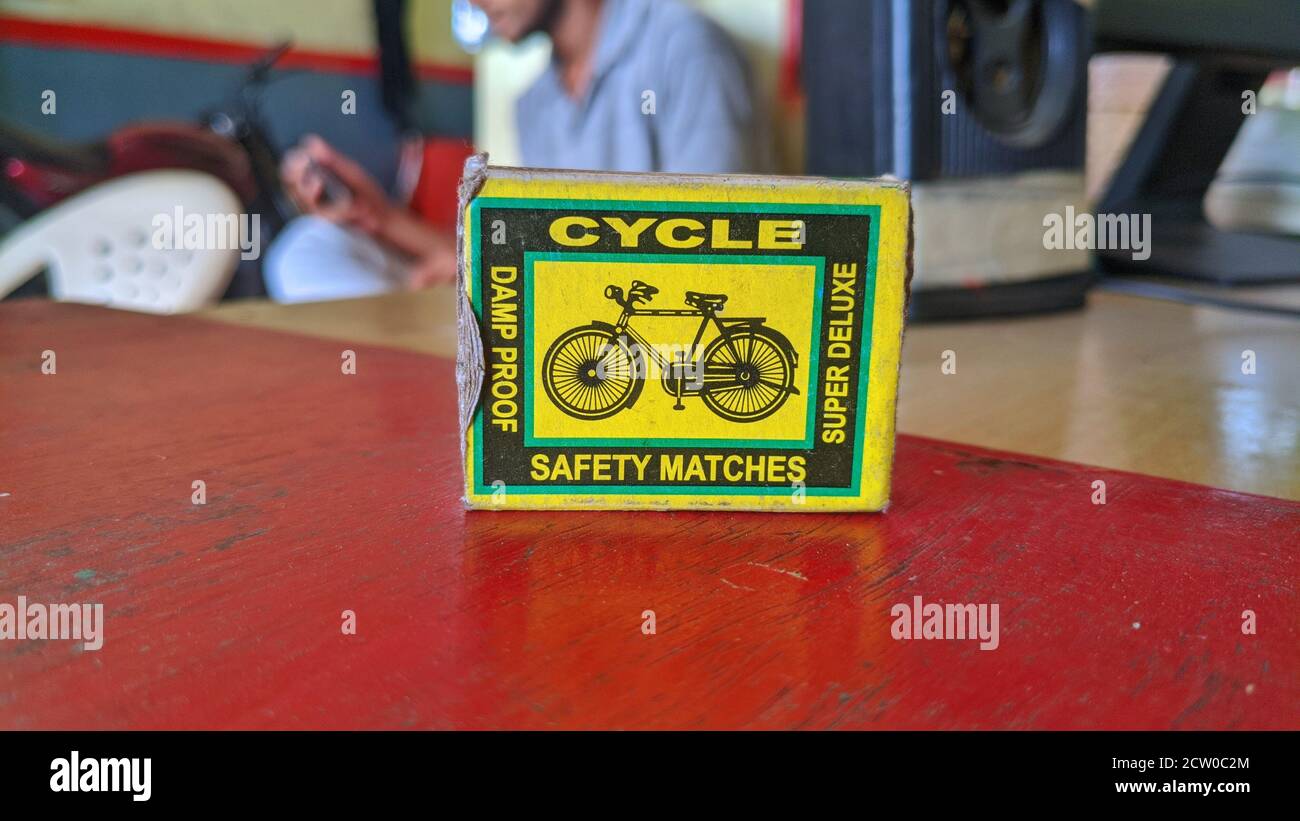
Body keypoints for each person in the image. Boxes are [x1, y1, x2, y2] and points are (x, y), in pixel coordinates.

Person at [267, 0, 768, 303]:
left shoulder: (686, 48)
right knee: (308, 247)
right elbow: (546, 245)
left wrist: (493, 277)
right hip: (550, 298)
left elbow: (717, 246)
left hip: (643, 322)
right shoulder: (537, 102)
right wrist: (375, 216)